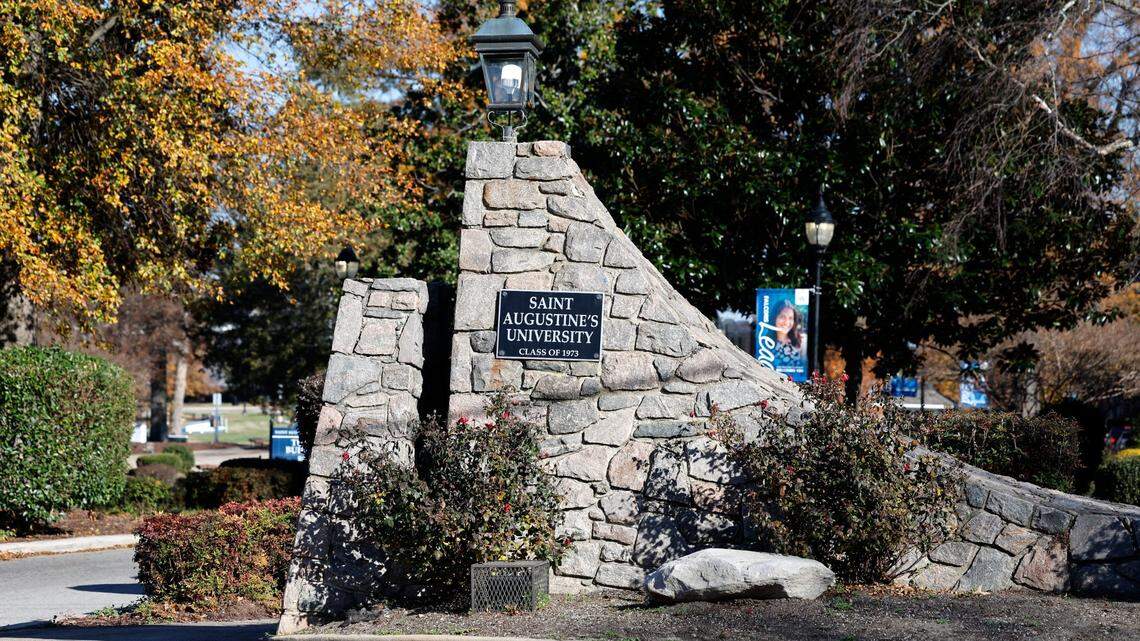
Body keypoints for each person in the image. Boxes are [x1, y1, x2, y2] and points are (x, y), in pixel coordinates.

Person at [771, 300, 807, 371]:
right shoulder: (766, 342)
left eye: (790, 318)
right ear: (774, 318)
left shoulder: (801, 341)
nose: (787, 322)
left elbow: (804, 369)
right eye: (782, 317)